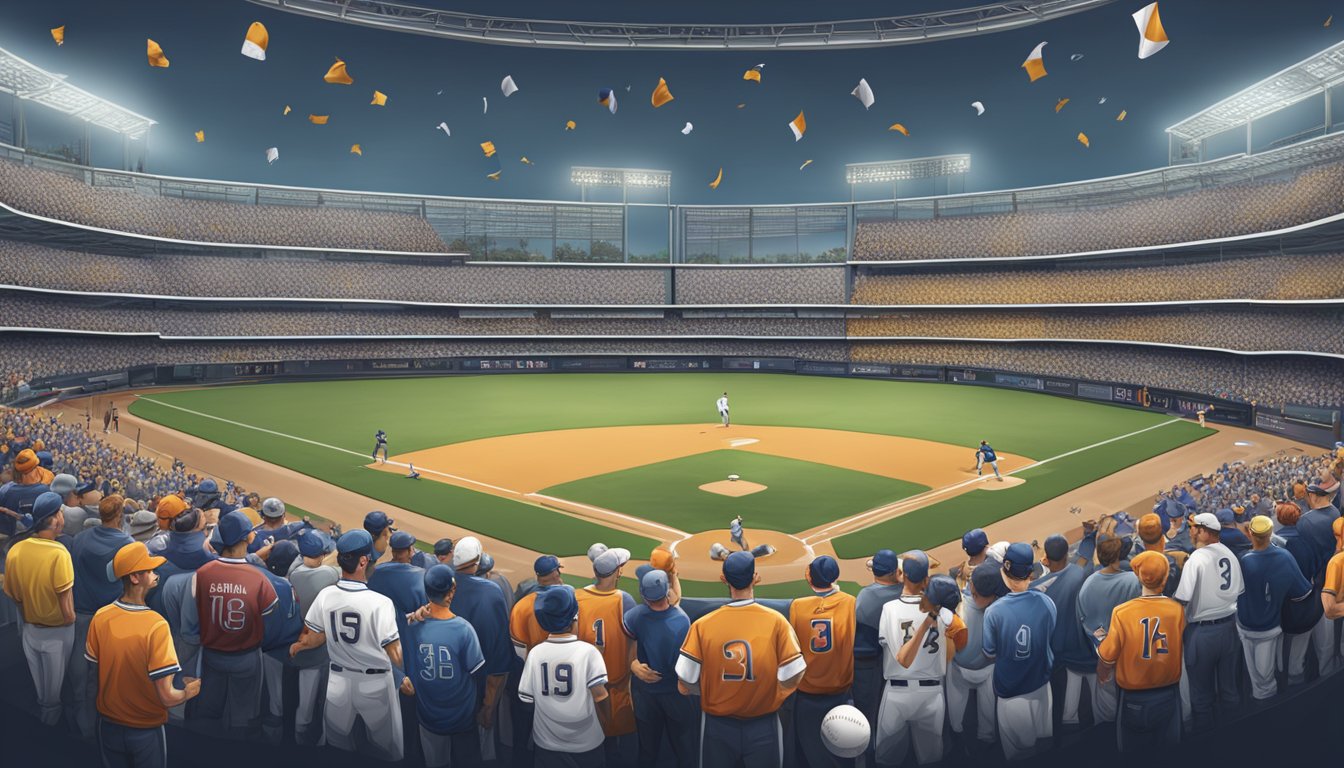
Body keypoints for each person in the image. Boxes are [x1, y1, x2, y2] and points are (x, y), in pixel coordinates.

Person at [676, 551, 806, 768]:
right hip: (764, 725)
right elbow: (796, 671)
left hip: (717, 727)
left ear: (723, 579)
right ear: (755, 577)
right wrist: (778, 692)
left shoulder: (703, 624)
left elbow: (685, 677)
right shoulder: (777, 622)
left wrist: (707, 690)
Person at [290, 529, 406, 761]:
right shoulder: (380, 603)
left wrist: (299, 646)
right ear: (363, 561)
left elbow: (314, 636)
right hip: (375, 685)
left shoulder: (326, 595)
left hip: (338, 683)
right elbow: (394, 653)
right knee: (388, 751)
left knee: (337, 747)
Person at [86, 542, 202, 768]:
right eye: (148, 570)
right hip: (144, 729)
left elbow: (93, 677)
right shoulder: (156, 625)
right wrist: (190, 690)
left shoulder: (101, 616)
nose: (154, 573)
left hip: (107, 724)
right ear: (135, 578)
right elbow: (167, 697)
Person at [189, 510, 278, 739]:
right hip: (246, 656)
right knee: (244, 715)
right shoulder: (259, 577)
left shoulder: (201, 573)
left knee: (209, 712)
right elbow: (268, 614)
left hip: (211, 654)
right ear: (248, 538)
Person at [875, 553, 967, 767]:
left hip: (896, 694)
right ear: (926, 578)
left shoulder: (889, 609)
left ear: (901, 575)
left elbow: (885, 646)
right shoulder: (944, 613)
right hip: (932, 695)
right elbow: (959, 641)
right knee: (931, 759)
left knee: (886, 760)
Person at [1096, 551, 1186, 751]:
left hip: (1133, 700)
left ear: (1139, 577)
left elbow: (1107, 657)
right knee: (1171, 756)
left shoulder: (1122, 612)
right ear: (1164, 579)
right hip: (1168, 695)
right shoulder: (1176, 610)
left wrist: (1102, 670)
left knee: (1133, 757)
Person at [2, 491, 75, 726]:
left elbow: (13, 595)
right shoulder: (59, 553)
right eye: (60, 512)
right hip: (57, 631)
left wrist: (28, 616)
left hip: (30, 630)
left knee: (42, 692)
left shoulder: (16, 549)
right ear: (54, 521)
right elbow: (67, 608)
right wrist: (70, 621)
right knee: (52, 698)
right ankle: (47, 742)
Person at [403, 565, 486, 768]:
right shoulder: (464, 630)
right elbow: (477, 672)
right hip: (462, 716)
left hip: (428, 715)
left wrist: (414, 615)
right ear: (451, 592)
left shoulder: (411, 626)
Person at [520, 585, 611, 767]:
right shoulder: (589, 652)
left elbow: (526, 699)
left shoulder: (536, 653)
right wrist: (607, 722)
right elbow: (600, 696)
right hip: (587, 743)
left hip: (546, 743)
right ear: (574, 618)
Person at [67, 493, 134, 738]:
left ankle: (82, 723)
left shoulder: (81, 538)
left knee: (80, 672)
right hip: (112, 618)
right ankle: (107, 727)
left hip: (82, 614)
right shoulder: (128, 543)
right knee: (109, 674)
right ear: (119, 516)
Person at [983, 542, 1057, 761]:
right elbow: (1048, 636)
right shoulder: (1047, 602)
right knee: (1044, 749)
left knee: (1019, 757)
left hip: (1012, 694)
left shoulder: (994, 611)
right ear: (1030, 573)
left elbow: (989, 652)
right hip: (1043, 688)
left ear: (1005, 570)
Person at [1172, 512, 1244, 732]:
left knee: (1202, 696)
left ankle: (1206, 747)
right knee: (1230, 691)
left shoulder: (1197, 558)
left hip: (1202, 634)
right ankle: (1234, 738)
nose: (1191, 531)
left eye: (1193, 527)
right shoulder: (1230, 554)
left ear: (1203, 531)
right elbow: (1239, 591)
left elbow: (1181, 600)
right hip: (1230, 629)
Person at [785, 555, 857, 768]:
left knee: (808, 754)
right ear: (835, 577)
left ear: (809, 578)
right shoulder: (850, 602)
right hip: (840, 695)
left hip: (807, 695)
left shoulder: (797, 606)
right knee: (841, 752)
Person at [623, 569, 696, 767]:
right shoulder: (682, 620)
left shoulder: (634, 616)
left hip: (646, 695)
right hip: (675, 694)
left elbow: (628, 645)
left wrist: (633, 664)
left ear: (644, 595)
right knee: (684, 749)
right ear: (666, 592)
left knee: (648, 751)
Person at [1236, 515, 1312, 700]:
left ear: (1250, 534)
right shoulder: (1284, 557)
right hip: (1270, 626)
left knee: (1261, 681)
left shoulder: (1241, 560)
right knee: (1265, 678)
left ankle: (1267, 714)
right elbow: (1302, 592)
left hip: (1248, 626)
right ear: (1271, 533)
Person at [448, 536, 510, 758]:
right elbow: (499, 657)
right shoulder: (490, 591)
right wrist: (489, 705)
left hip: (441, 684)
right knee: (479, 750)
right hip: (478, 686)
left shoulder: (438, 583)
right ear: (477, 561)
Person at [575, 547, 637, 763]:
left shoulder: (577, 596)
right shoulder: (624, 600)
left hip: (586, 684)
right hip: (617, 686)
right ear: (618, 572)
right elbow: (634, 640)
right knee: (618, 749)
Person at [1075, 534, 1140, 724]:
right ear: (1118, 557)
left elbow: (1084, 622)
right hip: (1131, 652)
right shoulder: (1134, 580)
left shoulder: (1087, 584)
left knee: (1105, 709)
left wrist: (1102, 642)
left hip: (1104, 653)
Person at [1029, 534, 1093, 728]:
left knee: (1059, 695)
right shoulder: (1079, 573)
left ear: (1046, 557)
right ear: (1067, 553)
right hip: (1080, 641)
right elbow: (1084, 559)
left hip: (1053, 648)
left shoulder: (1035, 588)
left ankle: (1065, 721)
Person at [510, 555, 566, 768]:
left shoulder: (522, 603)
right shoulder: (566, 599)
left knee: (521, 736)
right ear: (555, 573)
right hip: (556, 682)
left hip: (526, 678)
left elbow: (517, 648)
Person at [947, 562, 1007, 753]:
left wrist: (957, 577)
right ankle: (986, 741)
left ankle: (956, 736)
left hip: (959, 667)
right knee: (987, 714)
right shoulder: (1001, 607)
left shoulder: (956, 602)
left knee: (955, 713)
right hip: (988, 667)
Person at [288, 528, 339, 745]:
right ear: (320, 555)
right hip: (322, 651)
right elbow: (336, 566)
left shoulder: (293, 572)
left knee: (304, 705)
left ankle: (299, 741)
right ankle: (321, 745)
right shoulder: (328, 575)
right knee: (326, 701)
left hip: (298, 644)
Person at [853, 548, 903, 760]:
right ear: (895, 573)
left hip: (870, 665)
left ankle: (866, 756)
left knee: (867, 714)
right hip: (899, 665)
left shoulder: (865, 596)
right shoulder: (905, 593)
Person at [367, 529, 429, 667]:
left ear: (393, 551)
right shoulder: (421, 576)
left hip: (378, 635)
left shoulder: (375, 572)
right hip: (409, 639)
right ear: (409, 551)